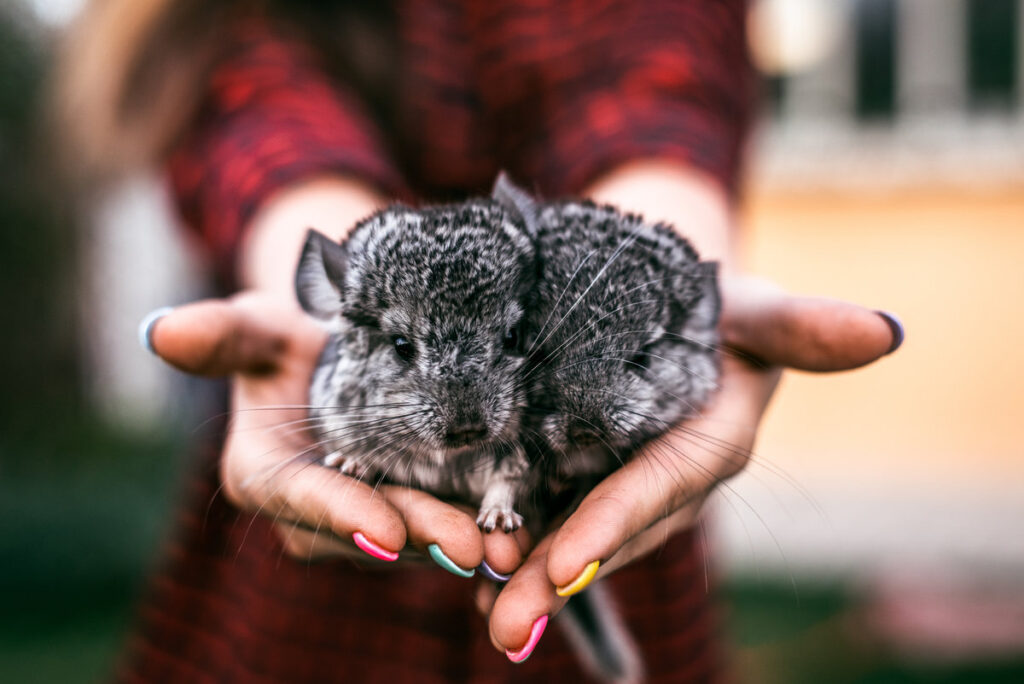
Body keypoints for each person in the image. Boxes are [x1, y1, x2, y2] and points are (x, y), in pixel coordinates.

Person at [60, 1, 903, 681]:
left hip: (618, 572)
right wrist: (310, 246)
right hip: (298, 625)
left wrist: (643, 291)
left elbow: (656, 71)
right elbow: (252, 99)